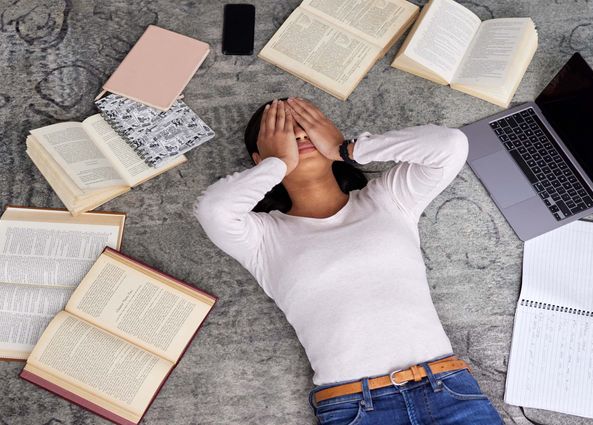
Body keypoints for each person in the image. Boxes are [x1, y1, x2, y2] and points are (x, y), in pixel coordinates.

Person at [194, 97, 503, 425]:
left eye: (306, 126)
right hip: (356, 407)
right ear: (260, 159)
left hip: (447, 390)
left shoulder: (389, 199)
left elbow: (450, 145)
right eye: (284, 133)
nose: (299, 136)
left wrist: (349, 149)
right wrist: (277, 163)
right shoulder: (261, 238)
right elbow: (212, 210)